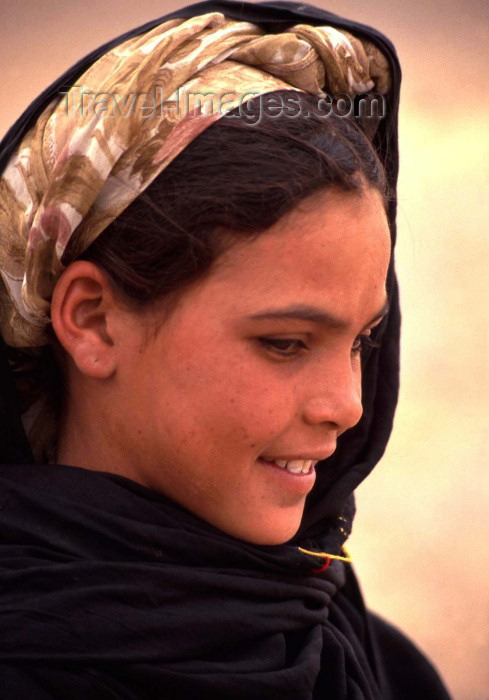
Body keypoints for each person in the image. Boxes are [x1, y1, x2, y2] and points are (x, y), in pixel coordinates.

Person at [0, 1, 451, 698]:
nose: (347, 406)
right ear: (91, 320)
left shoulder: (346, 640)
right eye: (285, 343)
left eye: (363, 340)